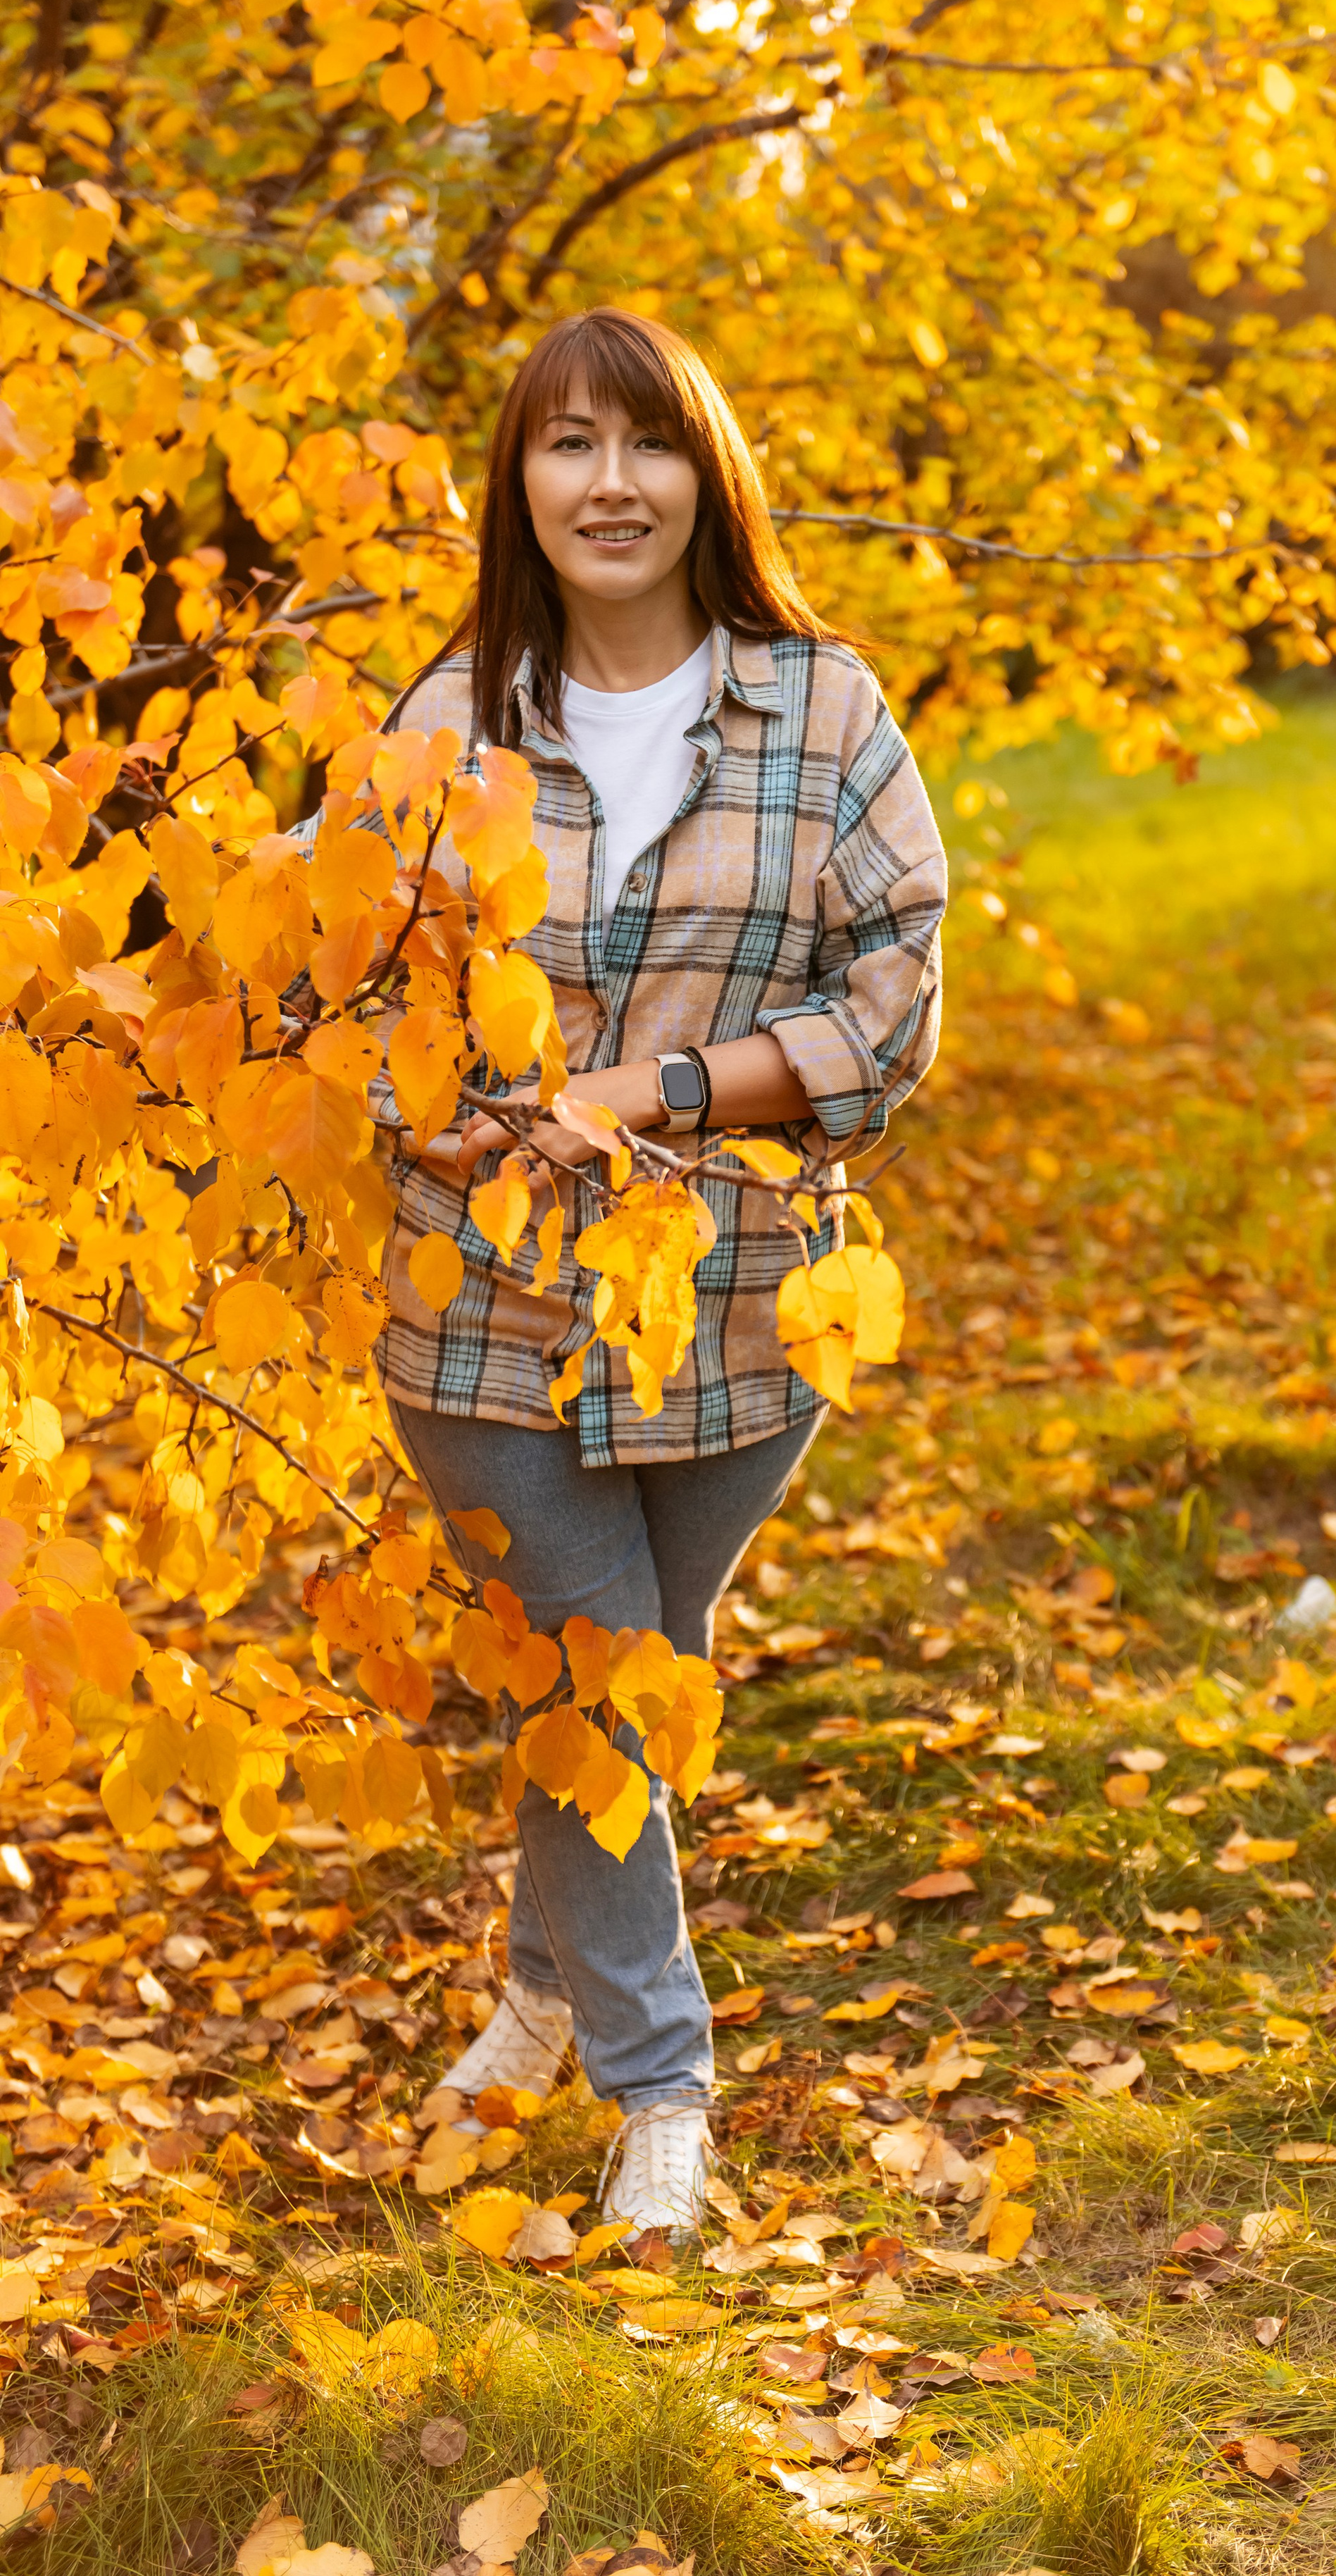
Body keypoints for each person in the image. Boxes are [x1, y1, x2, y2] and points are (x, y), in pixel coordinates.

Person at [368, 308, 946, 2235]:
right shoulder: (440, 729)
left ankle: (539, 1984)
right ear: (517, 486)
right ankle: (663, 2092)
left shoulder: (829, 713)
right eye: (567, 447)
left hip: (740, 1313)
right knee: (601, 1683)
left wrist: (660, 1089)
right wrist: (423, 1110)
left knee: (615, 1689)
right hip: (483, 1315)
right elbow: (346, 997)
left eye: (648, 446)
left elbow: (895, 1002)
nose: (609, 485)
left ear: (708, 476)